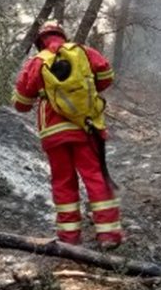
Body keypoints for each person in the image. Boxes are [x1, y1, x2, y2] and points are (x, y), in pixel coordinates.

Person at [13, 20, 123, 249]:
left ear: (39, 42)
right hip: (86, 127)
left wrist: (44, 94)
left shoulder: (36, 62)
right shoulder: (83, 52)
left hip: (53, 133)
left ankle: (69, 239)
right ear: (62, 35)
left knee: (63, 182)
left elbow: (21, 103)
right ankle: (109, 235)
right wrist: (85, 92)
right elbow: (107, 75)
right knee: (95, 176)